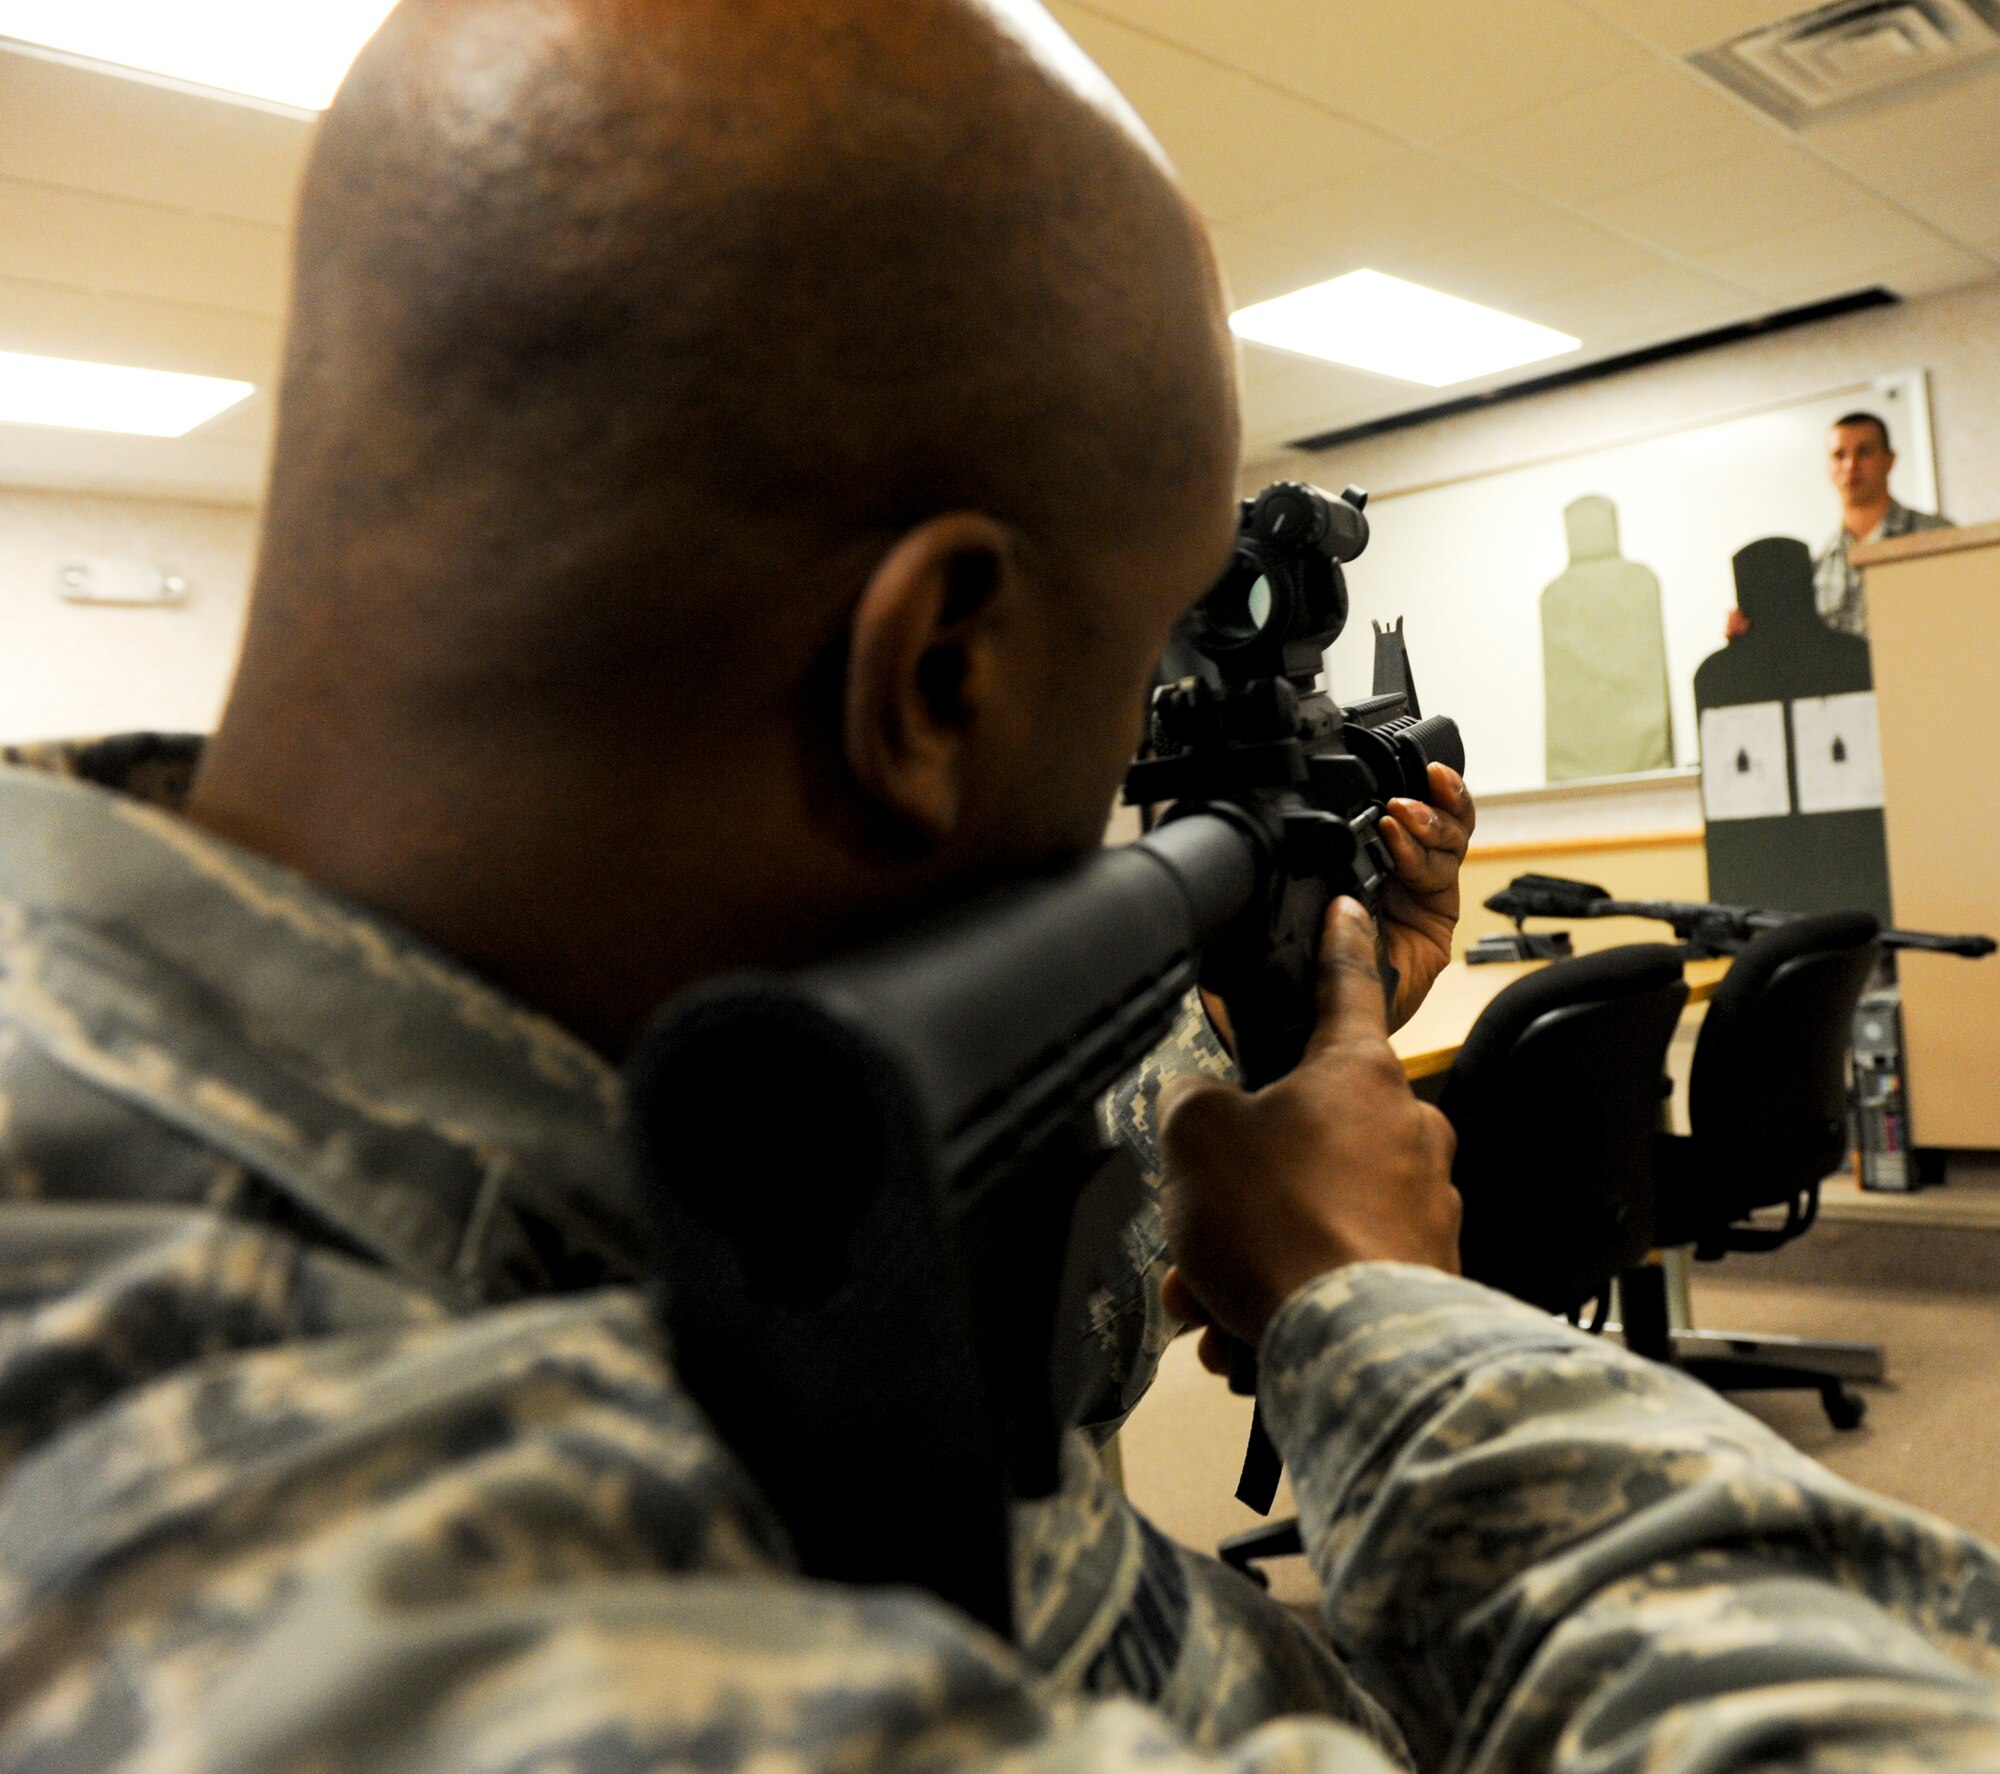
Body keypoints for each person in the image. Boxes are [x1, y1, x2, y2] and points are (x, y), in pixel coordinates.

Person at [2, 5, 2000, 1772]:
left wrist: (1271, 1022)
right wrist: (1368, 1301)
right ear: (939, 671)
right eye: (1129, 674)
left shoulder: (490, 979)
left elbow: (953, 1171)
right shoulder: (312, 1616)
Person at [1727, 411, 1951, 641]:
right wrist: (1749, 640)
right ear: (1829, 468)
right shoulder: (1817, 570)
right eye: (1839, 455)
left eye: (1864, 452)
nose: (1850, 464)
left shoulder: (1937, 537)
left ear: (1890, 460)